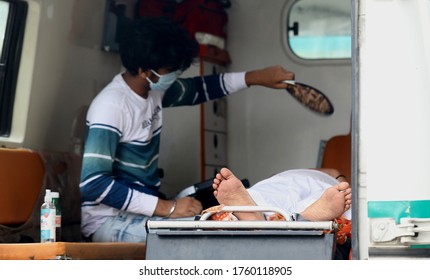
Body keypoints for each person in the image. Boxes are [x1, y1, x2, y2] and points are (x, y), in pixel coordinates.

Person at [79, 16, 295, 242]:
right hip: (108, 221)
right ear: (145, 71)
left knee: (222, 219)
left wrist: (256, 77)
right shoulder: (111, 107)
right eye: (170, 70)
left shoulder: (154, 90)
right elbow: (93, 183)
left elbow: (199, 89)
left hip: (143, 212)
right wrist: (169, 208)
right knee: (212, 233)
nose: (175, 76)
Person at [211, 167, 352, 221]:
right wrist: (341, 180)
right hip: (315, 182)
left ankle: (254, 216)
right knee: (328, 196)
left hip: (281, 181)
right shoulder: (334, 176)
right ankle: (304, 217)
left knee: (262, 196)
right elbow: (334, 173)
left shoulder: (332, 174)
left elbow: (333, 172)